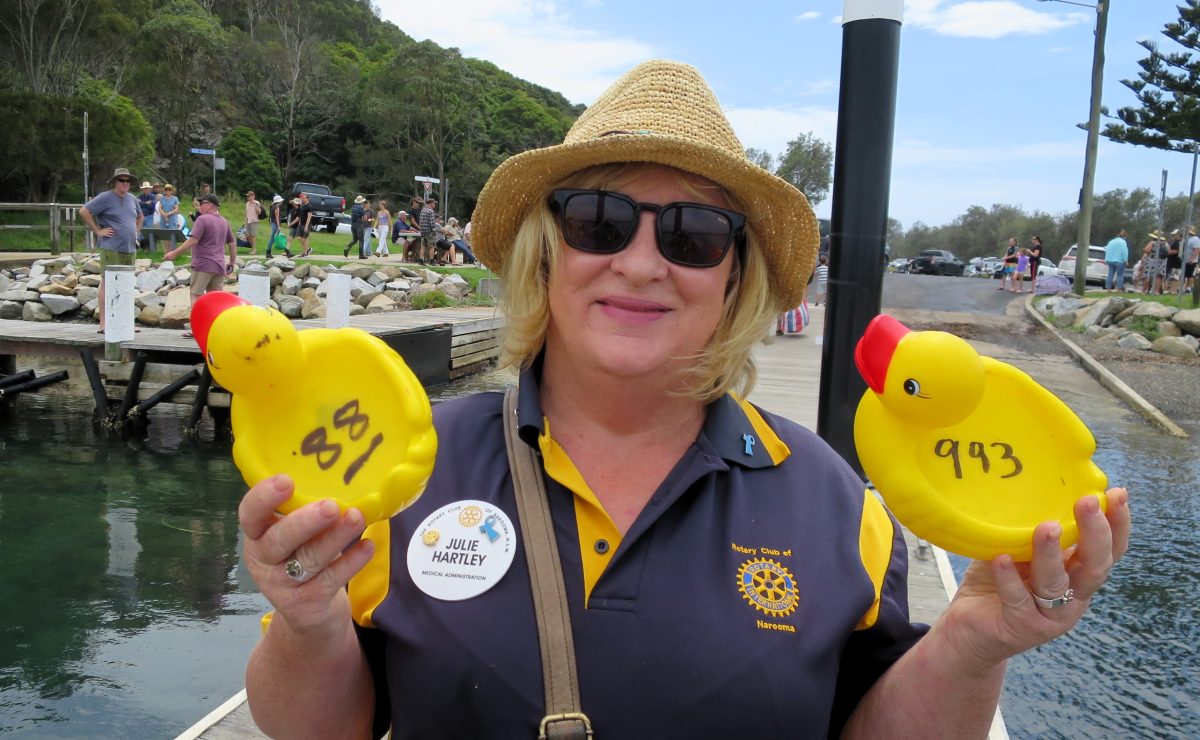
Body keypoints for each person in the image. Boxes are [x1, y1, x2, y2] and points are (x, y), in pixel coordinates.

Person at [239, 60, 1130, 739]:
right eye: (598, 221)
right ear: (546, 254)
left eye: (694, 234)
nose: (639, 261)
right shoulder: (404, 469)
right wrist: (308, 619)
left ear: (734, 276)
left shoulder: (833, 501)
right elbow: (319, 727)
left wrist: (975, 642)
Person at [79, 167, 143, 333]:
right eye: (121, 180)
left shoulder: (132, 199)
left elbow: (140, 216)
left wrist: (136, 232)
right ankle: (104, 323)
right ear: (115, 182)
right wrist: (97, 231)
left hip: (130, 248)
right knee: (107, 283)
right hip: (111, 247)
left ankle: (126, 321)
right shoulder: (105, 197)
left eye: (127, 181)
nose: (125, 184)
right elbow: (84, 211)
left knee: (126, 285)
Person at [164, 192, 235, 338]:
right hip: (219, 266)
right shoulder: (224, 221)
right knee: (214, 300)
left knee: (195, 295)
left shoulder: (202, 220)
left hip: (203, 265)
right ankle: (213, 330)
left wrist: (174, 253)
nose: (199, 206)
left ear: (210, 205)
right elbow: (232, 243)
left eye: (202, 203)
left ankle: (197, 329)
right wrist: (232, 262)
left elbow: (193, 241)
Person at [1143, 231, 1167, 295]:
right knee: (1158, 277)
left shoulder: (1153, 243)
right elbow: (1168, 252)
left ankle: (1144, 291)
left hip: (1152, 261)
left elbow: (1146, 250)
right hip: (1161, 262)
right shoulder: (1164, 243)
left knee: (1147, 276)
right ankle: (1156, 291)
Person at [290, 192, 313, 258]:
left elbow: (309, 217)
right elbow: (301, 215)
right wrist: (300, 222)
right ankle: (308, 250)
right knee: (299, 238)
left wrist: (306, 226)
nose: (302, 199)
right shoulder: (302, 206)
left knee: (304, 239)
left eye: (304, 198)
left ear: (307, 199)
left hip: (306, 225)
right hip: (301, 224)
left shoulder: (309, 206)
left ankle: (304, 253)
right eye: (302, 198)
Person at [418, 197, 437, 264]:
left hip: (423, 232)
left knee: (423, 246)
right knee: (432, 246)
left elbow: (420, 221)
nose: (435, 205)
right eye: (434, 203)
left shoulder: (422, 210)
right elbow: (432, 223)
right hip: (429, 232)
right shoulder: (431, 211)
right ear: (431, 203)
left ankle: (421, 260)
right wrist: (434, 231)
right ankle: (431, 261)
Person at [1166, 228, 1183, 292]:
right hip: (1176, 262)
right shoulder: (1179, 242)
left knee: (1174, 277)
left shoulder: (1177, 242)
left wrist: (1168, 251)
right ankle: (1172, 290)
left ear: (1178, 235)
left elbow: (1176, 251)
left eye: (1174, 235)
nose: (1172, 236)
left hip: (1174, 262)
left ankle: (1173, 291)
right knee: (1174, 277)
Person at [1185, 224, 1200, 292]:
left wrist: (1192, 258)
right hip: (1186, 260)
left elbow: (1197, 249)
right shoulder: (1188, 239)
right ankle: (1186, 287)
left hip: (1191, 260)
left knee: (1190, 274)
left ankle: (1189, 288)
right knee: (1187, 274)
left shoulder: (1195, 239)